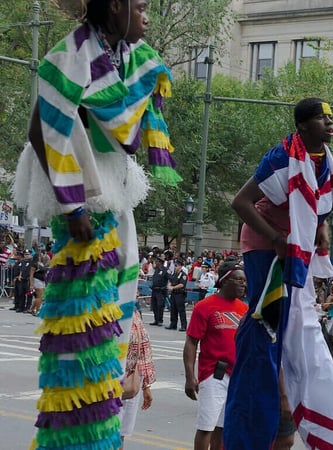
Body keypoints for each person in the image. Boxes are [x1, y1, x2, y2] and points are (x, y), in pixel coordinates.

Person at [23, 0, 181, 447]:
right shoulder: (71, 54)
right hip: (82, 200)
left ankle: (102, 432)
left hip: (113, 196)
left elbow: (129, 127)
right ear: (116, 6)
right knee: (83, 321)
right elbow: (42, 128)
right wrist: (73, 207)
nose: (148, 17)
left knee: (112, 315)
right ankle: (77, 438)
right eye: (143, 7)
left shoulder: (131, 57)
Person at [224, 98, 333, 449]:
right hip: (267, 246)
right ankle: (265, 405)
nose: (329, 123)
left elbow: (320, 203)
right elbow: (240, 202)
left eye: (330, 117)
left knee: (293, 328)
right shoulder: (282, 157)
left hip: (295, 248)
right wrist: (276, 238)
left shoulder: (323, 159)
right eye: (320, 118)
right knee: (267, 326)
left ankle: (294, 401)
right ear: (301, 127)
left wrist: (322, 228)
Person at [183, 261, 248, 450]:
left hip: (236, 377)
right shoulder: (205, 306)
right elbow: (191, 342)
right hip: (214, 374)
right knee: (206, 428)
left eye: (245, 281)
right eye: (239, 280)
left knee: (224, 429)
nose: (244, 284)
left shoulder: (244, 309)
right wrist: (189, 376)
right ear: (225, 280)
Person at [120, 312, 155, 445]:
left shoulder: (134, 314)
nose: (137, 293)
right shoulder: (104, 309)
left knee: (120, 434)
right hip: (107, 381)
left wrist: (146, 386)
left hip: (131, 380)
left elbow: (143, 351)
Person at [167, 261, 188, 331]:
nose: (175, 267)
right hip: (173, 294)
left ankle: (184, 325)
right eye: (175, 266)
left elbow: (182, 284)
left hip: (180, 294)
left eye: (176, 266)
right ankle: (173, 324)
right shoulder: (174, 274)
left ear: (180, 266)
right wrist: (169, 285)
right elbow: (170, 280)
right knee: (173, 309)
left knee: (181, 310)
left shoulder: (183, 275)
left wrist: (173, 287)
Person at [149, 256, 169, 326]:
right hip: (154, 290)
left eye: (157, 261)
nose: (155, 263)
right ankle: (156, 320)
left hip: (161, 291)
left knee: (160, 306)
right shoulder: (157, 270)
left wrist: (167, 286)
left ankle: (160, 320)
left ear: (160, 263)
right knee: (154, 306)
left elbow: (170, 279)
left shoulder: (165, 270)